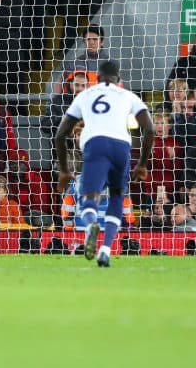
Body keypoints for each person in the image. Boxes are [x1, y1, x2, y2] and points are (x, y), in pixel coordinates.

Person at [55, 61, 154, 267]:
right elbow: (150, 129)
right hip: (121, 146)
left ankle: (91, 225)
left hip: (95, 144)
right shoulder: (127, 95)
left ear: (96, 78)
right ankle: (106, 250)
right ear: (119, 79)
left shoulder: (85, 95)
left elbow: (60, 134)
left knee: (89, 197)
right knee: (117, 197)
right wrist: (142, 164)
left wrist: (64, 170)